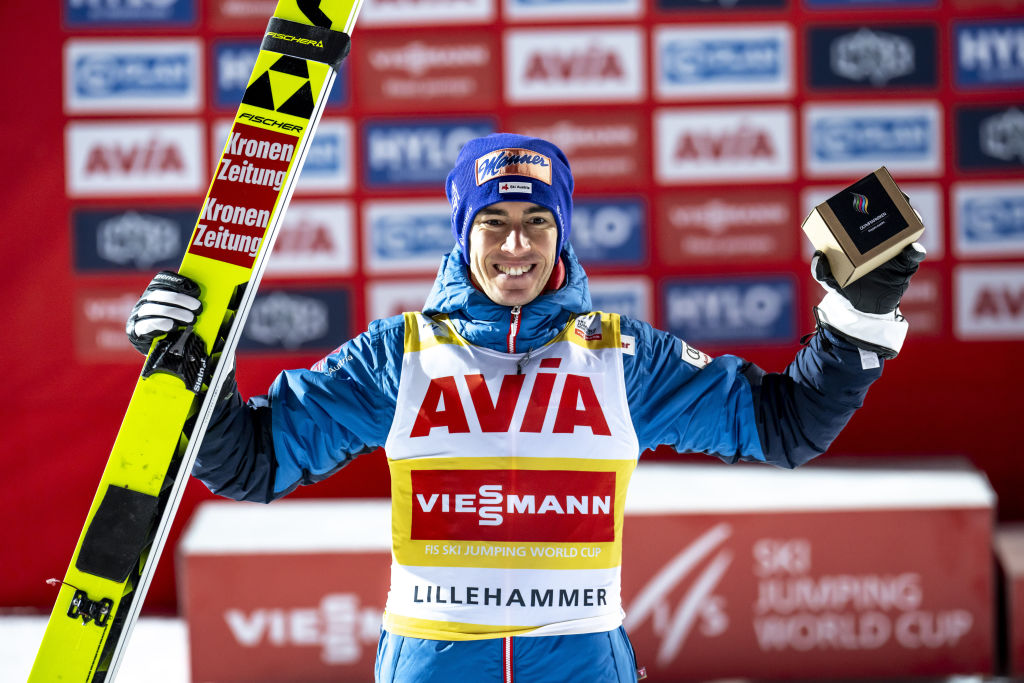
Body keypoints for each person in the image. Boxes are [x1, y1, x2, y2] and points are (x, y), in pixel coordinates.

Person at [126, 133, 925, 682]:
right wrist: (189, 374)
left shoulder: (622, 357)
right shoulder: (398, 356)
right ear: (462, 233)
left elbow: (786, 426)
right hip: (433, 662)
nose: (517, 246)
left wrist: (855, 321)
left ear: (563, 231)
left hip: (581, 661)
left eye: (537, 222)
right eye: (495, 224)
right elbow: (251, 460)